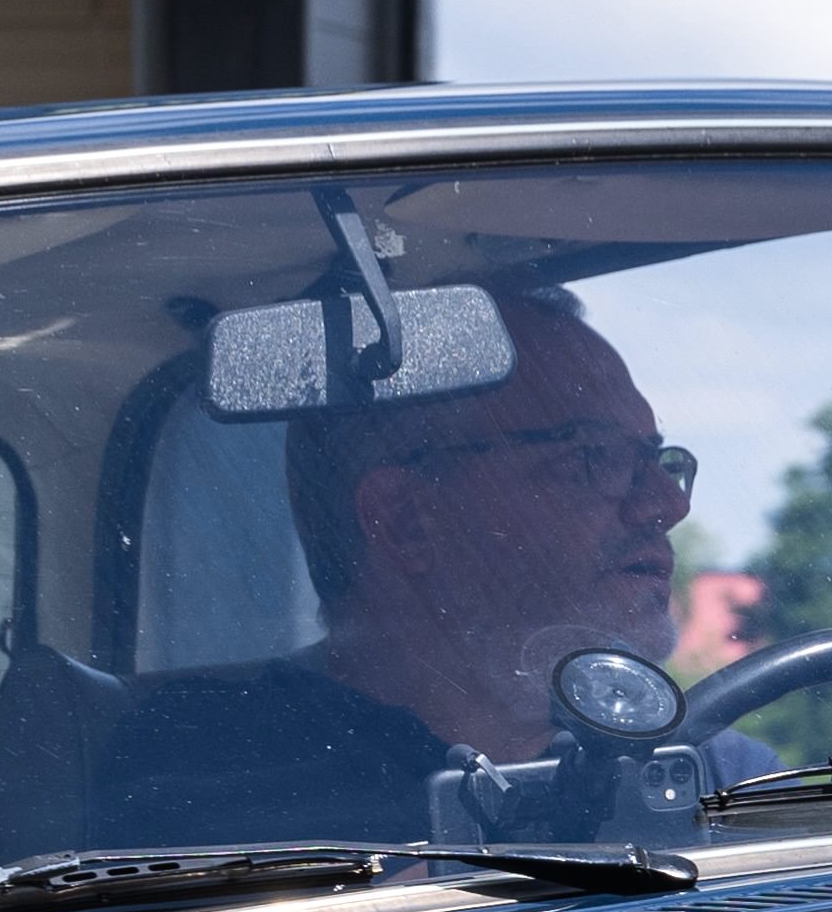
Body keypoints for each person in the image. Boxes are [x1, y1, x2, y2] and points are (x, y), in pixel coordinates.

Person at [87, 284, 696, 847]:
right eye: (594, 457)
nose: (668, 504)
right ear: (407, 522)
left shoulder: (702, 768)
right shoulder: (213, 773)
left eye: (657, 459)